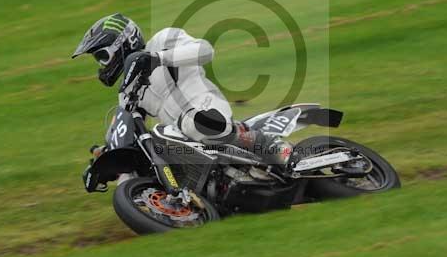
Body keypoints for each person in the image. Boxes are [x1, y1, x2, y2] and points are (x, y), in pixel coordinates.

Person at [71, 13, 293, 174]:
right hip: (178, 134)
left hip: (204, 107)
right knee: (142, 163)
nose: (101, 65)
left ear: (121, 43)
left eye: (101, 56)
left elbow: (206, 50)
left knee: (193, 123)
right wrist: (107, 159)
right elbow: (127, 131)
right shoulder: (128, 90)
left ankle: (268, 143)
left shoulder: (163, 40)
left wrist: (158, 58)